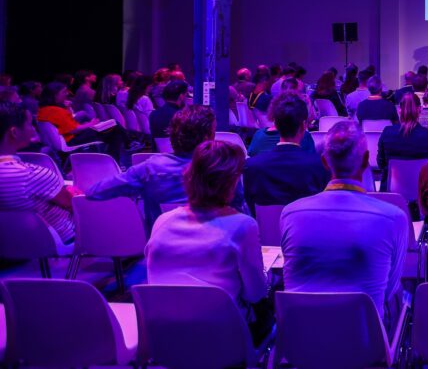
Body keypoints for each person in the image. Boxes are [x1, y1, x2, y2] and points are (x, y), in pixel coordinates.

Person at [280, 120, 409, 316]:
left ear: (324, 162)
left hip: (299, 332)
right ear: (365, 161)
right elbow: (389, 289)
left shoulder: (290, 214)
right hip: (362, 334)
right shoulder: (394, 218)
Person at [146, 139, 267, 320]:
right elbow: (255, 294)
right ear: (232, 182)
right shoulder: (243, 226)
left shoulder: (161, 222)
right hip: (224, 330)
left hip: (166, 327)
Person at [89, 105, 245, 230]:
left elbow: (96, 191)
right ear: (207, 138)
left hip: (162, 251)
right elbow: (238, 210)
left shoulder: (150, 168)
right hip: (216, 250)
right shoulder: (223, 166)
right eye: (213, 133)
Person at [0, 101, 77, 244]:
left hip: (10, 243)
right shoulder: (32, 174)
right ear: (14, 132)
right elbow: (73, 205)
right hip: (58, 240)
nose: (34, 129)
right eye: (30, 124)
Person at [243, 93, 330, 213]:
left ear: (276, 124)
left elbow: (251, 208)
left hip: (263, 225)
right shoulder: (319, 167)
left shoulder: (251, 166)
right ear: (303, 125)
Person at [36, 82, 128, 160]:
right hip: (72, 140)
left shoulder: (44, 110)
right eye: (63, 92)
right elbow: (73, 130)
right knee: (114, 125)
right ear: (54, 95)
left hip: (69, 139)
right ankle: (128, 144)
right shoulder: (55, 110)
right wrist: (90, 124)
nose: (67, 94)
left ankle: (118, 154)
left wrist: (67, 108)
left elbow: (66, 123)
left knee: (114, 130)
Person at [377, 94, 428, 188]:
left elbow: (381, 164)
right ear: (420, 109)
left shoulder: (387, 133)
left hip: (390, 191)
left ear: (399, 110)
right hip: (422, 191)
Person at [247, 93, 318, 157]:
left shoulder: (258, 135)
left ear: (273, 114)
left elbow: (251, 155)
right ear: (302, 123)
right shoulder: (305, 137)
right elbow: (311, 160)